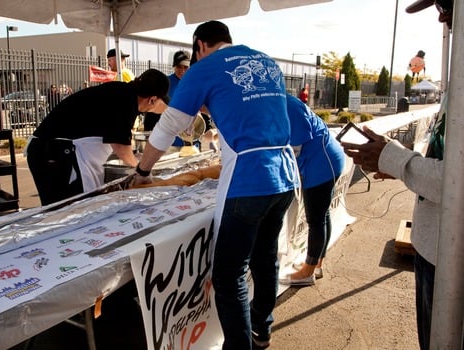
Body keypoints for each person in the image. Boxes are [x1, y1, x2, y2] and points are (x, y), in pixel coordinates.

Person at [133, 20, 298, 349]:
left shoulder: (205, 68)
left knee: (229, 274)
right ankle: (261, 329)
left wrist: (142, 170)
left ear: (200, 45)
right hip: (285, 175)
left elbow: (168, 128)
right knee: (266, 257)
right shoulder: (265, 61)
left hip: (249, 178)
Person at [341, 1, 453, 349]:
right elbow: (447, 163)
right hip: (433, 247)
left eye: (448, 5)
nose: (442, 17)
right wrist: (398, 164)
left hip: (448, 257)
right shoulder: (457, 82)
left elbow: (456, 184)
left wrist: (396, 160)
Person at [26, 68, 169, 206]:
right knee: (69, 212)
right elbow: (120, 146)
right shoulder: (125, 100)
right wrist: (141, 170)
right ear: (152, 99)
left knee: (70, 211)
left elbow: (116, 138)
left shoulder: (122, 92)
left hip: (53, 151)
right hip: (55, 153)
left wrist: (135, 158)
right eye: (156, 103)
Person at [278, 94, 345, 286]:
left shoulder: (288, 105)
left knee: (315, 219)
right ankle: (317, 263)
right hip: (323, 160)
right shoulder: (282, 101)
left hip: (321, 165)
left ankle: (308, 270)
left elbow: (295, 146)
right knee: (322, 216)